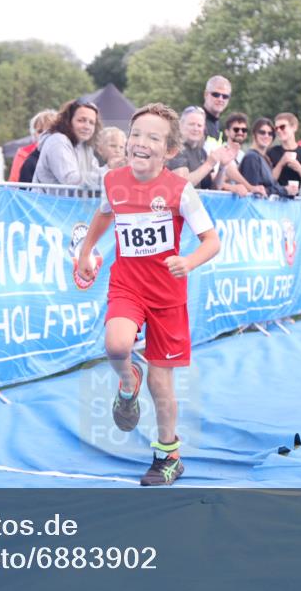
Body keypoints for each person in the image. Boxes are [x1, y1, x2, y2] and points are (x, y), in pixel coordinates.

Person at [77, 103, 220, 486]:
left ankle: (168, 455)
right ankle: (127, 382)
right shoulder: (113, 180)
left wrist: (188, 262)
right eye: (136, 134)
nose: (140, 143)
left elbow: (211, 241)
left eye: (153, 138)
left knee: (162, 383)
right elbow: (106, 214)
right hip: (127, 283)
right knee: (116, 346)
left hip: (168, 296)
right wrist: (85, 250)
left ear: (170, 151)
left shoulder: (180, 189)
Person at [34, 98, 117, 190]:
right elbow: (70, 179)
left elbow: (94, 172)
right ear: (68, 121)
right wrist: (109, 174)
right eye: (81, 120)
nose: (87, 126)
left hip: (67, 202)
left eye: (91, 123)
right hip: (46, 203)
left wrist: (114, 170)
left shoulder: (84, 147)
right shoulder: (58, 141)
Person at [166, 106, 232, 189]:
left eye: (199, 125)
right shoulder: (175, 149)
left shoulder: (202, 152)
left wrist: (222, 167)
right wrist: (209, 164)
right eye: (191, 124)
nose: (195, 128)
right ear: (181, 126)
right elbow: (181, 185)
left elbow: (213, 188)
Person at [214, 112, 266, 197]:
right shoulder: (218, 152)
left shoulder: (245, 156)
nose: (240, 132)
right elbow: (213, 181)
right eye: (236, 129)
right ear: (227, 132)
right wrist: (232, 187)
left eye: (244, 130)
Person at [266, 113, 301, 196]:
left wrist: (299, 168)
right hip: (276, 201)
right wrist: (281, 163)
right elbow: (268, 181)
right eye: (276, 128)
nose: (279, 130)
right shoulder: (271, 152)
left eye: (282, 127)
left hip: (299, 202)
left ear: (294, 127)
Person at [238, 117, 289, 198]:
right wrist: (285, 190)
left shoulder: (265, 158)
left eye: (270, 133)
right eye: (262, 132)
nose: (266, 136)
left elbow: (271, 187)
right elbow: (255, 192)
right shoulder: (252, 158)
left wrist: (287, 190)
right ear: (254, 134)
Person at [9, 109, 57, 183]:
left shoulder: (68, 154)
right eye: (40, 131)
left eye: (50, 131)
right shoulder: (24, 155)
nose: (44, 135)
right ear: (34, 134)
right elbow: (14, 183)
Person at [201, 75, 233, 149]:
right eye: (216, 94)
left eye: (225, 96)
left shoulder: (221, 126)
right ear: (206, 94)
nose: (220, 99)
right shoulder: (196, 120)